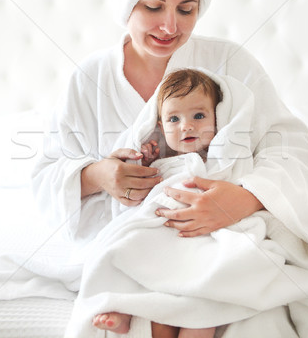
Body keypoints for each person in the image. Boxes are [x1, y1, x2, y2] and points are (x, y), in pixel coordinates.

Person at [33, 0, 308, 336]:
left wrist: (244, 199)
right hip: (135, 237)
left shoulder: (232, 63)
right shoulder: (88, 78)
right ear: (126, 3)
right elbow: (46, 171)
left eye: (186, 9)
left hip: (222, 236)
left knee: (254, 310)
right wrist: (99, 175)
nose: (170, 26)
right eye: (152, 6)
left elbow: (291, 152)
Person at [92, 68, 223, 337]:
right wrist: (146, 163)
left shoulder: (221, 159)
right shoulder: (163, 163)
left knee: (202, 305)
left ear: (217, 119)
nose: (186, 125)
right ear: (161, 126)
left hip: (200, 238)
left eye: (199, 116)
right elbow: (139, 198)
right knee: (135, 256)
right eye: (174, 118)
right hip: (161, 231)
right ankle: (124, 306)